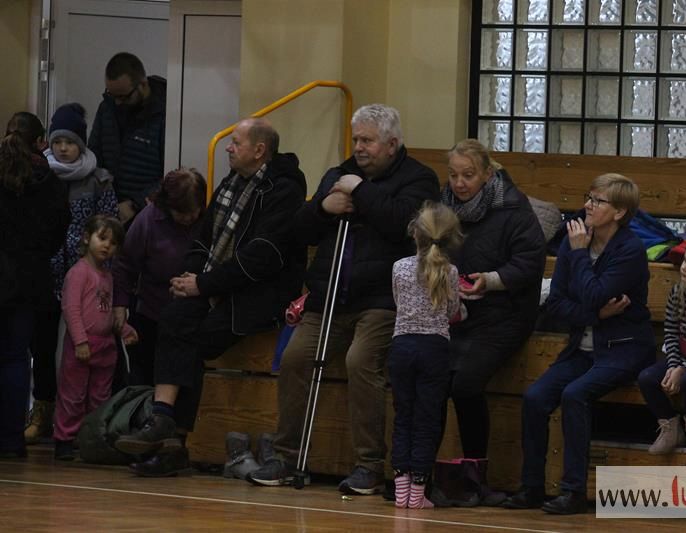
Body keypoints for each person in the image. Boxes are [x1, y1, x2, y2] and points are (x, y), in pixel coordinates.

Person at [246, 104, 440, 495]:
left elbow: (403, 225)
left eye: (368, 140)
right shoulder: (338, 174)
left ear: (392, 144)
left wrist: (360, 192)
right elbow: (300, 231)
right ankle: (285, 456)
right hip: (329, 295)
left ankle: (369, 464)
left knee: (360, 360)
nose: (359, 147)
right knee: (294, 358)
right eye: (356, 139)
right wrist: (323, 207)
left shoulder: (420, 178)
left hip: (382, 299)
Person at [113, 117, 306, 477]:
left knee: (192, 338)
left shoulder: (285, 190)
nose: (228, 147)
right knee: (174, 316)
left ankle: (174, 442)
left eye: (236, 142)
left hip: (262, 292)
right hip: (220, 283)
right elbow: (203, 241)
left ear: (259, 150)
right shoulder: (231, 183)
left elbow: (263, 256)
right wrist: (188, 278)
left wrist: (203, 284)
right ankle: (163, 418)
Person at [508, 174, 655, 514]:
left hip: (624, 347)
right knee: (535, 397)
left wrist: (578, 257)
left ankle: (573, 491)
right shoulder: (574, 242)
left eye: (598, 201)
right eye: (589, 197)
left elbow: (593, 293)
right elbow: (556, 304)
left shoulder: (629, 250)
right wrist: (596, 315)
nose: (588, 205)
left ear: (619, 212)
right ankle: (532, 487)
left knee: (575, 394)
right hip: (583, 347)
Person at [440, 139, 546, 498]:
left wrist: (492, 280)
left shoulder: (513, 208)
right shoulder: (443, 205)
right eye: (453, 175)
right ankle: (421, 473)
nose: (459, 183)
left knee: (466, 384)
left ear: (487, 174)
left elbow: (529, 262)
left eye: (468, 175)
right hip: (456, 311)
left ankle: (475, 475)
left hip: (505, 313)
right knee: (433, 381)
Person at [25, 103, 119, 444]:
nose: (63, 148)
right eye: (58, 141)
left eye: (70, 142)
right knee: (43, 344)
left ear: (81, 143)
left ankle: (90, 423)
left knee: (89, 348)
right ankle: (44, 408)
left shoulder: (99, 180)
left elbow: (111, 227)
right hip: (46, 275)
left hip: (88, 279)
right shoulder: (38, 176)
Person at [0, 112, 70, 458]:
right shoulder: (49, 182)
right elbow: (58, 232)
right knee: (16, 358)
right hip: (29, 281)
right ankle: (11, 440)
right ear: (41, 142)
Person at [390, 202, 464, 509]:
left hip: (402, 347)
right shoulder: (450, 272)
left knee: (403, 416)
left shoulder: (399, 267)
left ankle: (401, 490)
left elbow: (399, 302)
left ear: (414, 233)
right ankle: (418, 492)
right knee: (427, 419)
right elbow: (452, 311)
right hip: (434, 348)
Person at [53, 215, 137, 460]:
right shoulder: (78, 273)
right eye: (102, 238)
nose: (107, 245)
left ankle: (91, 438)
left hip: (105, 347)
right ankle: (65, 439)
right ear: (86, 237)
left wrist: (124, 329)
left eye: (113, 243)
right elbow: (71, 309)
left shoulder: (108, 276)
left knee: (100, 397)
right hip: (82, 345)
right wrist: (80, 341)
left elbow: (107, 311)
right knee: (73, 395)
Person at [112, 168, 206, 386]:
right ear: (168, 206)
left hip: (193, 316)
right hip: (152, 313)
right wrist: (119, 305)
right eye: (182, 213)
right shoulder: (148, 219)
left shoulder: (206, 220)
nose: (189, 218)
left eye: (194, 212)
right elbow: (125, 265)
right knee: (147, 376)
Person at [638, 235, 686, 455]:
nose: (684, 267)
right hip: (678, 357)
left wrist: (683, 369)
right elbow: (670, 332)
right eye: (684, 261)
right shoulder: (677, 292)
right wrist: (672, 366)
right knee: (647, 377)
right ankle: (670, 426)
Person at [89, 52, 166, 224]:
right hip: (108, 213)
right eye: (112, 95)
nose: (117, 102)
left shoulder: (166, 114)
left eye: (123, 97)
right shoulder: (107, 108)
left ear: (143, 85)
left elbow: (170, 175)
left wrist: (135, 204)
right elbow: (94, 156)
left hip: (147, 216)